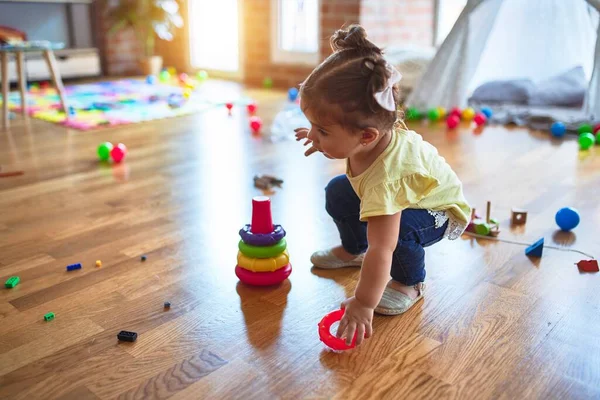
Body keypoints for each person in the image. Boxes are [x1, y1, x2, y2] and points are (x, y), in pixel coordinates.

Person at [295, 25, 471, 347]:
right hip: (400, 196)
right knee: (338, 191)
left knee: (395, 232)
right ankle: (352, 249)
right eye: (312, 127)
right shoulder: (371, 134)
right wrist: (319, 138)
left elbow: (383, 247)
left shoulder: (386, 179)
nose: (313, 135)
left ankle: (410, 283)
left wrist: (363, 302)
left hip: (434, 210)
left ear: (366, 137)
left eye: (321, 130)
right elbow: (341, 146)